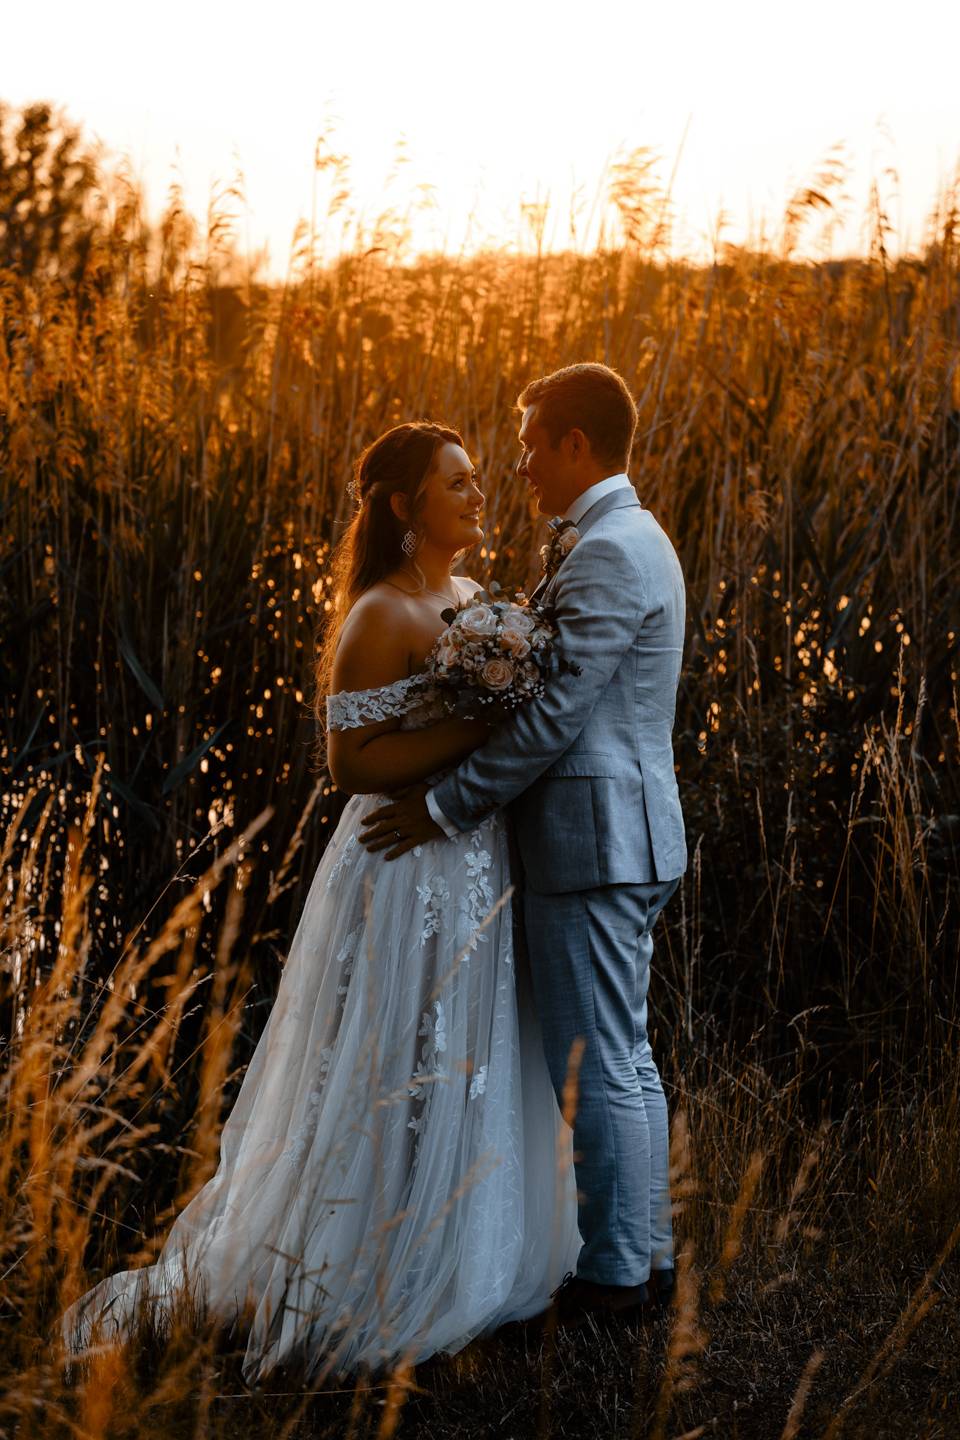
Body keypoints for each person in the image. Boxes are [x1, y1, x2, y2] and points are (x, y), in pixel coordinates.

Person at [60, 421, 580, 1382]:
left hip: (471, 856)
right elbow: (350, 765)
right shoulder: (379, 614)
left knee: (465, 1052)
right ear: (404, 506)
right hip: (402, 861)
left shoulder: (471, 598)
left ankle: (461, 1241)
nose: (478, 495)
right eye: (456, 483)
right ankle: (363, 1255)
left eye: (477, 480)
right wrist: (482, 736)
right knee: (396, 1050)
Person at [360, 364, 688, 1330]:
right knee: (624, 1056)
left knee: (595, 1064)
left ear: (576, 444)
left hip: (593, 844)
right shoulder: (625, 537)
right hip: (624, 836)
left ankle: (616, 1280)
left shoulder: (609, 551)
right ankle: (645, 1258)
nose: (521, 466)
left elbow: (553, 720)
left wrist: (445, 805)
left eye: (533, 445)